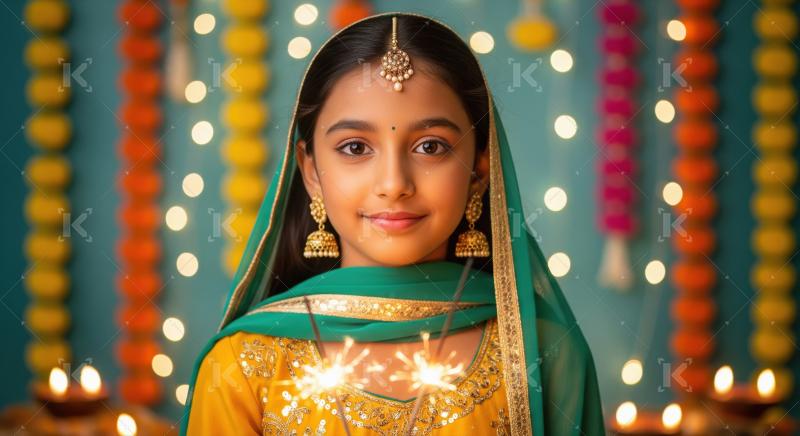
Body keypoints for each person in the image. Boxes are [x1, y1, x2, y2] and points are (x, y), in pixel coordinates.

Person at [182, 12, 605, 435]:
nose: (394, 184)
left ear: (479, 168)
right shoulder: (243, 364)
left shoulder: (543, 353)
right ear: (310, 171)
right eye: (354, 147)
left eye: (430, 146)